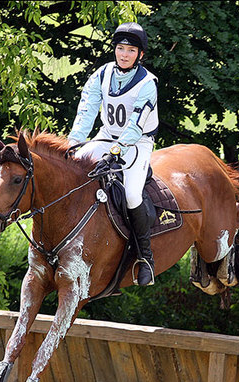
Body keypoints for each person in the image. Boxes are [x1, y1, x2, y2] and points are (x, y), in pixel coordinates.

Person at [67, 22, 159, 286]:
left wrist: (117, 152)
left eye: (131, 50)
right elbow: (87, 109)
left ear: (140, 55)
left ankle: (146, 258)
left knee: (131, 195)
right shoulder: (102, 74)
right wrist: (73, 143)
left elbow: (136, 125)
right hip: (106, 135)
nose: (124, 54)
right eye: (120, 48)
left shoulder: (147, 83)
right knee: (73, 169)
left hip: (138, 142)